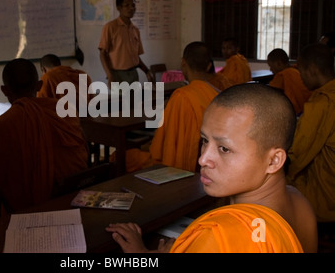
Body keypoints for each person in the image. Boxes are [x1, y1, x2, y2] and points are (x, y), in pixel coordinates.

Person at [107, 83, 318, 253]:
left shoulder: (222, 235)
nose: (203, 160)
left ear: (273, 161)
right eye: (204, 140)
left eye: (224, 148)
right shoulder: (300, 203)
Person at [0, 58, 89, 213]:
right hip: (74, 195)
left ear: (4, 90)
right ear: (39, 85)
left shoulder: (0, 128)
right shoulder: (66, 112)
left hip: (32, 208)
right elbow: (83, 151)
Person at [124, 42, 222, 173]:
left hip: (180, 167)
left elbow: (161, 147)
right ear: (209, 66)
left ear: (183, 63)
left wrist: (146, 147)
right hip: (209, 162)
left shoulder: (181, 97)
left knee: (124, 157)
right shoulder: (217, 95)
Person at [286, 43, 335, 222]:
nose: (301, 78)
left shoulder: (323, 103)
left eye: (301, 72)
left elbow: (298, 154)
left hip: (328, 197)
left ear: (312, 69)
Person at [98, 0, 154, 86]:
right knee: (121, 101)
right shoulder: (110, 27)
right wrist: (110, 75)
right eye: (126, 5)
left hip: (133, 74)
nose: (131, 8)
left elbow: (135, 57)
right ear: (118, 8)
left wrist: (147, 71)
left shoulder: (135, 30)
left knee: (135, 100)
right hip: (117, 75)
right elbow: (102, 54)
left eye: (133, 5)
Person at [267, 48, 312, 116]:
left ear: (278, 63)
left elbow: (269, 94)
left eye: (271, 66)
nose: (270, 69)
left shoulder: (283, 74)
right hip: (308, 110)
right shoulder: (296, 71)